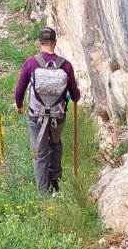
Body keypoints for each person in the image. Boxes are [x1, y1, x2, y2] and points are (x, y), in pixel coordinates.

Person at [13, 27, 82, 194]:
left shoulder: (31, 63)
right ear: (55, 43)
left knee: (40, 154)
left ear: (39, 43)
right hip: (57, 117)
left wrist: (19, 105)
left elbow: (20, 90)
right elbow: (76, 96)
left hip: (36, 116)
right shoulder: (65, 66)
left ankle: (44, 193)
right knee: (55, 145)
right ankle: (56, 184)